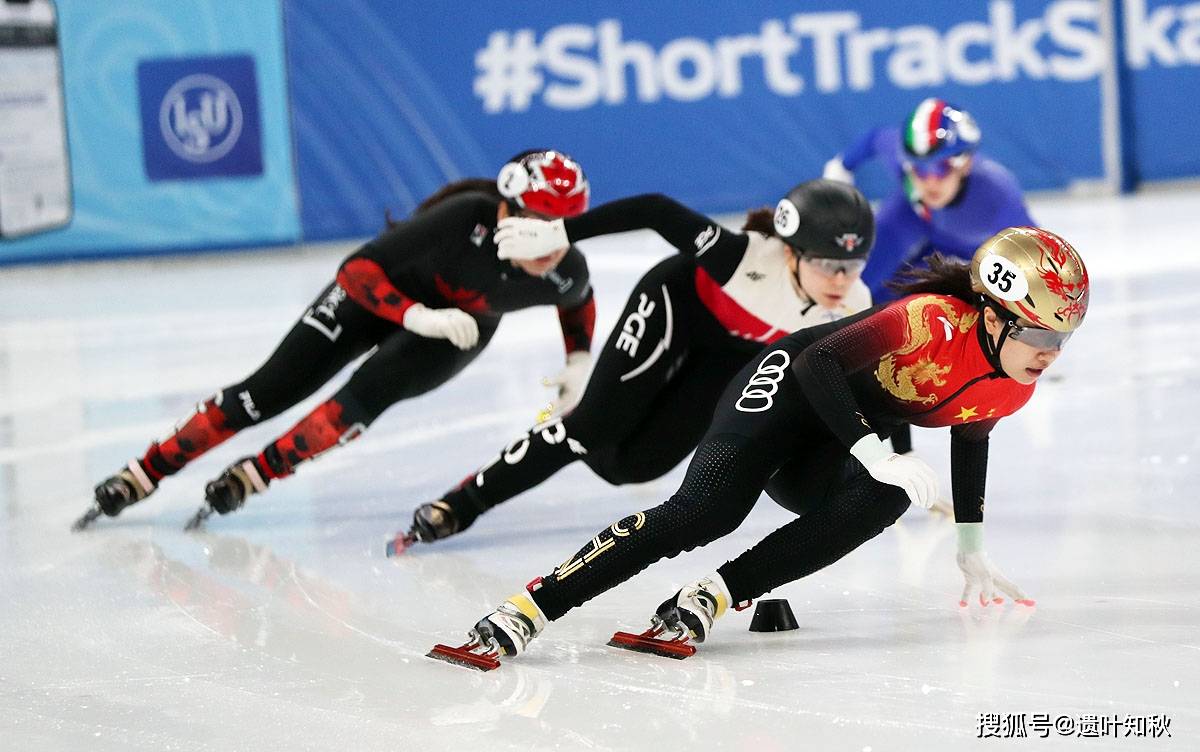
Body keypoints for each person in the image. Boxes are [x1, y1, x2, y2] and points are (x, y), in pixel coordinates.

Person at [428, 226, 1089, 670]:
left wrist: (970, 548)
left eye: (1063, 340)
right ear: (995, 314)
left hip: (833, 443)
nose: (1049, 355)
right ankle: (530, 607)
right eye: (1041, 335)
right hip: (784, 391)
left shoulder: (1015, 386)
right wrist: (871, 447)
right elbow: (819, 365)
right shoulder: (925, 323)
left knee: (884, 500)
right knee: (707, 510)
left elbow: (972, 442)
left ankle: (709, 597)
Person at [73, 150, 598, 531]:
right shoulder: (465, 219)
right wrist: (414, 314)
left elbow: (579, 301)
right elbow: (359, 269)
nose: (552, 242)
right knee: (268, 391)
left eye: (564, 227)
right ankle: (146, 469)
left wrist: (578, 360)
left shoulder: (565, 269)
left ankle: (258, 474)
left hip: (458, 329)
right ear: (507, 209)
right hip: (380, 296)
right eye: (541, 222)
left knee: (363, 399)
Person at [392, 180, 876, 554]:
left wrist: (888, 461)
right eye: (825, 263)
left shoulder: (854, 302)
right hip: (677, 303)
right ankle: (461, 504)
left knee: (632, 467)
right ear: (790, 253)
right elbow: (654, 210)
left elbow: (870, 385)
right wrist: (559, 231)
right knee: (592, 426)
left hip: (733, 351)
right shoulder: (743, 259)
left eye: (852, 265)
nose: (839, 280)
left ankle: (581, 427)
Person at [824, 98, 1036, 456]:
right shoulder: (907, 168)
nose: (928, 181)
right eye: (918, 171)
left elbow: (1035, 261)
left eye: (940, 170)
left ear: (965, 163)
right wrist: (841, 168)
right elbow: (876, 139)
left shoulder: (997, 196)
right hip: (910, 218)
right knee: (860, 286)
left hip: (972, 250)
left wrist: (1033, 338)